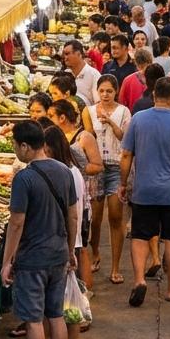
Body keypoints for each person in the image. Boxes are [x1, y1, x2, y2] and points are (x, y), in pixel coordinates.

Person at [1, 120, 79, 339]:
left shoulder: (24, 178)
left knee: (34, 320)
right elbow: (73, 215)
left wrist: (7, 260)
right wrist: (70, 250)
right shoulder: (64, 171)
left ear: (25, 146)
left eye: (14, 144)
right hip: (58, 255)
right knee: (55, 316)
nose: (14, 149)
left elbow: (17, 222)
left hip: (32, 258)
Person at [119, 77, 170, 307]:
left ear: (153, 95)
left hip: (144, 190)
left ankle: (139, 281)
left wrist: (123, 183)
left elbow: (126, 155)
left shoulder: (138, 120)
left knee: (140, 236)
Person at [42, 125, 87, 339]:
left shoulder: (69, 174)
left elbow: (74, 212)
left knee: (67, 301)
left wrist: (71, 247)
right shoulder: (68, 171)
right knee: (60, 299)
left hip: (69, 241)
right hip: (67, 240)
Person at [50, 99, 103, 291]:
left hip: (81, 201)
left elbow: (98, 166)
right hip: (74, 198)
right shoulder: (60, 138)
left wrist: (78, 172)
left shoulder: (83, 138)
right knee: (77, 247)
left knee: (80, 249)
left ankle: (85, 294)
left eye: (51, 116)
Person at [86, 75, 130, 285]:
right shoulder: (88, 111)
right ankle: (95, 253)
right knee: (95, 218)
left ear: (116, 92)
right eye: (101, 91)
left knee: (115, 216)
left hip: (115, 166)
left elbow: (124, 137)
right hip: (96, 167)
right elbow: (86, 139)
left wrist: (111, 122)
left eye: (109, 91)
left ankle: (115, 266)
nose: (105, 95)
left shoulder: (124, 111)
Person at [62, 40, 101, 107]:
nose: (65, 58)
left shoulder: (94, 75)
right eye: (64, 54)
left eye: (67, 54)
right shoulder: (65, 74)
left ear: (79, 54)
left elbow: (99, 104)